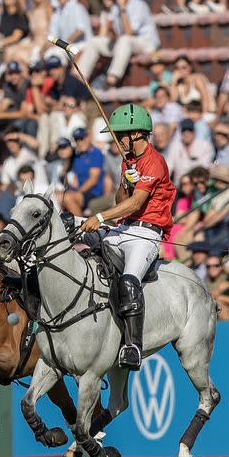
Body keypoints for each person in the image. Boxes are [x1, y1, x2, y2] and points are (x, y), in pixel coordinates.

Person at [81, 104, 175, 370]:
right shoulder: (128, 161)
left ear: (136, 134)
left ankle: (132, 346)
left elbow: (136, 204)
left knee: (129, 280)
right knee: (92, 254)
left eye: (120, 134)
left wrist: (99, 217)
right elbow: (121, 199)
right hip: (124, 229)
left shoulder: (155, 161)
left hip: (146, 234)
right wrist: (126, 183)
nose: (117, 139)